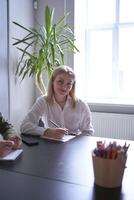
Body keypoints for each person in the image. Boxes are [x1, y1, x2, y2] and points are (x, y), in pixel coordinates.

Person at [20, 65, 94, 139]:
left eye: (69, 83)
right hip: (52, 145)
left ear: (72, 86)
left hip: (75, 146)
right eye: (60, 81)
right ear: (53, 81)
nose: (64, 87)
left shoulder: (81, 104)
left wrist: (77, 138)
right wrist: (48, 131)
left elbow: (88, 132)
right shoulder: (43, 101)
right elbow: (24, 126)